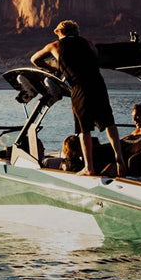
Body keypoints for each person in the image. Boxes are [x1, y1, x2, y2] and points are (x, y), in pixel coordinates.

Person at [31, 20, 125, 177]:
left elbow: (34, 59)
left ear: (59, 32)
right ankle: (119, 159)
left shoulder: (54, 46)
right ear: (76, 32)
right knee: (109, 122)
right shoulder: (87, 43)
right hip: (98, 84)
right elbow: (95, 57)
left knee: (84, 128)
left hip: (79, 87)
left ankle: (89, 168)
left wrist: (54, 68)